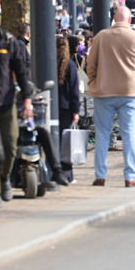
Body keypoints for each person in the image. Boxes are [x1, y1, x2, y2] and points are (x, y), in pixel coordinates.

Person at [87, 6, 135, 187]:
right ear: (130, 20)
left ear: (114, 19)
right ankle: (129, 176)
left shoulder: (100, 37)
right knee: (129, 134)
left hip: (104, 91)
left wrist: (93, 82)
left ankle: (100, 175)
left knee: (102, 134)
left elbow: (90, 64)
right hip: (130, 92)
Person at [0, 9, 33, 209]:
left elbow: (21, 73)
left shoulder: (10, 43)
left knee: (11, 144)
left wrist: (27, 99)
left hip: (6, 101)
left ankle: (4, 178)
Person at [57, 35, 82, 182]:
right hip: (66, 108)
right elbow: (74, 90)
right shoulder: (70, 65)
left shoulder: (49, 62)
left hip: (52, 106)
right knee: (66, 143)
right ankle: (67, 175)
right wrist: (76, 111)